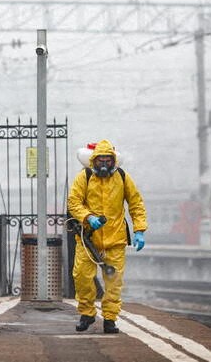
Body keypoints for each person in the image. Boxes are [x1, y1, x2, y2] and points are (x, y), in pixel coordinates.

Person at [67, 139, 147, 334]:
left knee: (114, 282)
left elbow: (135, 203)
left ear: (113, 161)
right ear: (94, 160)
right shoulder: (84, 177)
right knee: (82, 277)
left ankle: (110, 319)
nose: (104, 164)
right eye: (100, 160)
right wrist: (88, 217)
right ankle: (87, 313)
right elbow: (73, 202)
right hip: (88, 239)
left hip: (115, 240)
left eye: (108, 160)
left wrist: (139, 230)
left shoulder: (122, 177)